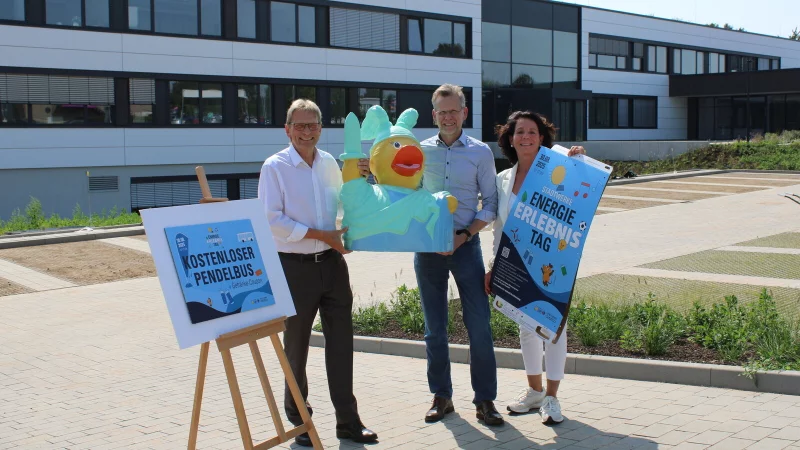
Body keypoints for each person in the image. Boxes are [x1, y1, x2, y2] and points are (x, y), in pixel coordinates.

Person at [258, 99, 378, 446]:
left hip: (332, 264)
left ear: (321, 128)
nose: (307, 132)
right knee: (296, 349)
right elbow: (272, 221)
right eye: (300, 125)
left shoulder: (330, 163)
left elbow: (344, 205)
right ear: (287, 129)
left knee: (342, 345)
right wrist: (320, 235)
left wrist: (353, 222)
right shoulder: (275, 167)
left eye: (313, 125)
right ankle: (300, 422)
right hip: (293, 268)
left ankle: (348, 422)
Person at [484, 110, 586, 425]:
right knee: (526, 329)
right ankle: (534, 392)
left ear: (541, 138)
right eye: (519, 132)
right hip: (516, 265)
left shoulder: (559, 171)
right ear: (510, 140)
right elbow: (498, 228)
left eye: (532, 132)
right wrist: (493, 267)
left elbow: (581, 192)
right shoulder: (502, 179)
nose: (525, 137)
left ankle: (553, 399)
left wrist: (578, 161)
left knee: (554, 329)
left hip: (551, 265)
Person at [416, 84, 503, 426]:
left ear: (464, 113)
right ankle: (442, 397)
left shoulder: (480, 152)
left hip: (467, 248)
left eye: (454, 111)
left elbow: (491, 204)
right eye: (442, 111)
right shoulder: (418, 151)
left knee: (479, 326)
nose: (448, 117)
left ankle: (485, 401)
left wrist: (464, 235)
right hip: (427, 251)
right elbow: (405, 195)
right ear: (433, 114)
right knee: (434, 329)